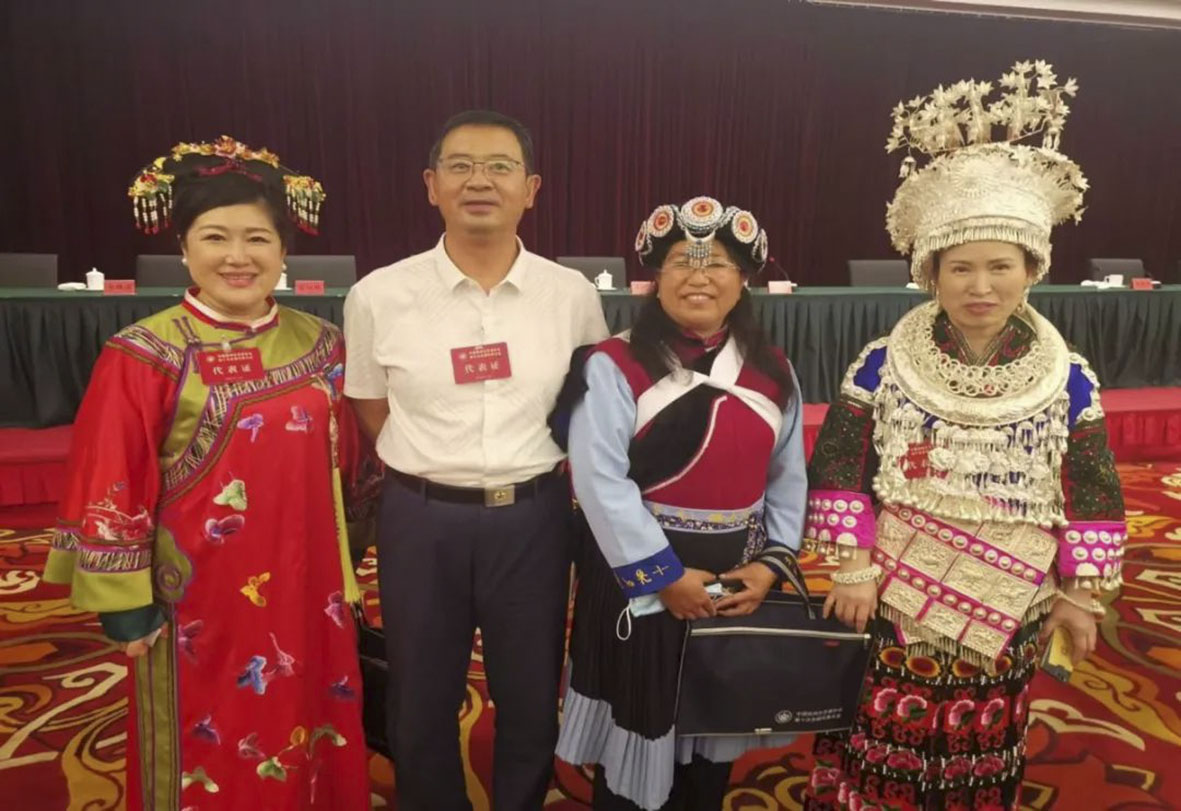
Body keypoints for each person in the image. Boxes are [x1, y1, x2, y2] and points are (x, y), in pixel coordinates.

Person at [803, 61, 1127, 811]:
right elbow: (841, 467)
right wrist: (852, 568)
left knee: (986, 738)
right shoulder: (881, 365)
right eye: (961, 269)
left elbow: (1093, 490)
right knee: (882, 728)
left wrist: (1081, 595)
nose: (981, 287)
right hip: (895, 591)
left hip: (1015, 599)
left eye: (999, 267)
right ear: (931, 273)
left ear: (1030, 269)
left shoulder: (1068, 379)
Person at [43, 136, 375, 810]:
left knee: (308, 715)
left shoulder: (323, 343)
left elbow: (352, 461)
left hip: (309, 582)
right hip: (198, 596)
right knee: (212, 732)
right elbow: (111, 477)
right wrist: (126, 605)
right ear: (184, 249)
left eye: (257, 238)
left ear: (284, 251)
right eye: (215, 237)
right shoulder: (144, 352)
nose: (237, 256)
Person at [343, 109, 609, 810]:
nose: (479, 181)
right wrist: (435, 465)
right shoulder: (378, 295)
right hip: (420, 520)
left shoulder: (572, 296)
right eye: (459, 166)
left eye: (499, 167)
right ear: (432, 185)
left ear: (531, 189)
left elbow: (588, 401)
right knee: (419, 691)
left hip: (533, 520)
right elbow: (370, 403)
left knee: (530, 691)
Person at [555, 197, 808, 810]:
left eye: (717, 263)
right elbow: (599, 481)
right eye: (681, 263)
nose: (700, 277)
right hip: (640, 581)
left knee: (709, 739)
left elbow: (788, 476)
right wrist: (663, 577)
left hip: (732, 581)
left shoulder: (773, 370)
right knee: (634, 737)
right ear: (655, 278)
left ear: (742, 281)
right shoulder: (613, 364)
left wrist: (769, 565)